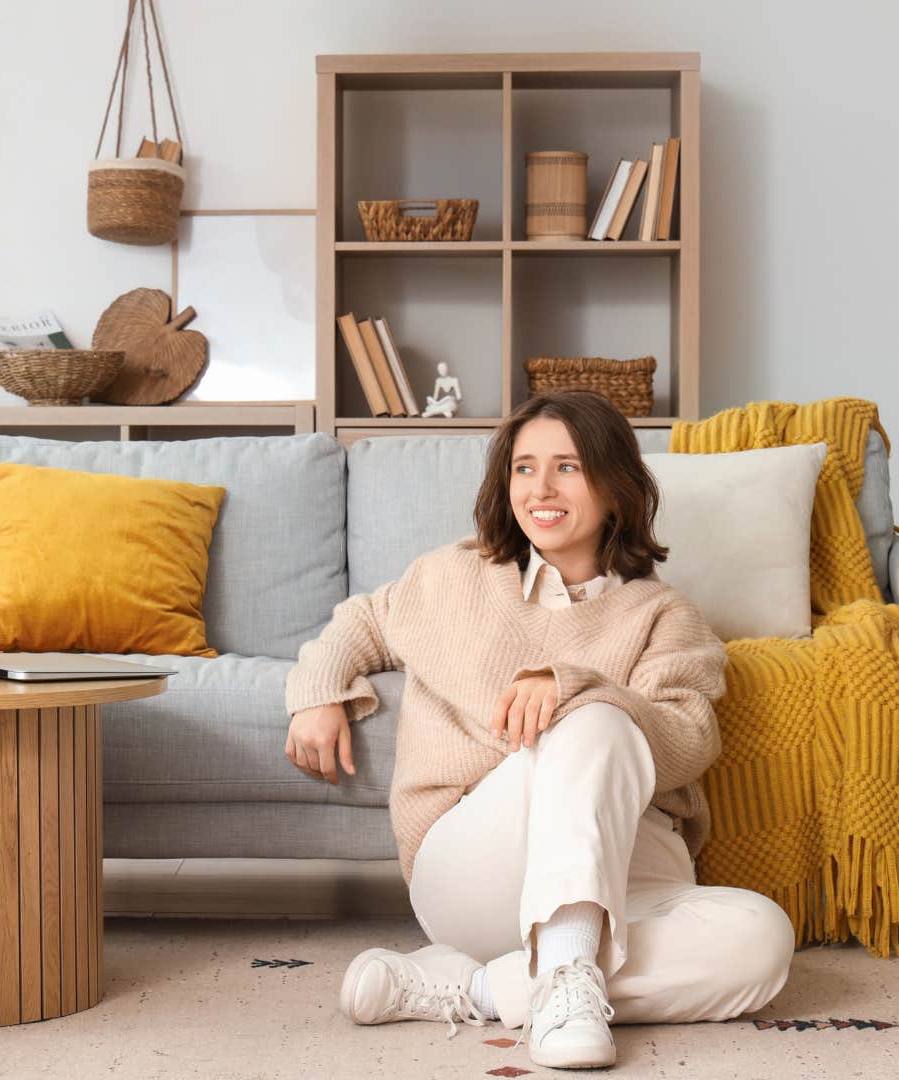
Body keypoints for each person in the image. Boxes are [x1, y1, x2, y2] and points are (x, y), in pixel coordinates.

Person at [283, 390, 795, 1070]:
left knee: (762, 940)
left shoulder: (665, 616)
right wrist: (318, 694)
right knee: (595, 717)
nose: (541, 489)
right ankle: (561, 976)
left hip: (630, 871)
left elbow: (688, 739)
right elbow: (363, 622)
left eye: (568, 467)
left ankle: (478, 986)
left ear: (615, 487)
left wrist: (571, 684)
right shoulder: (454, 575)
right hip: (478, 865)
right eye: (524, 468)